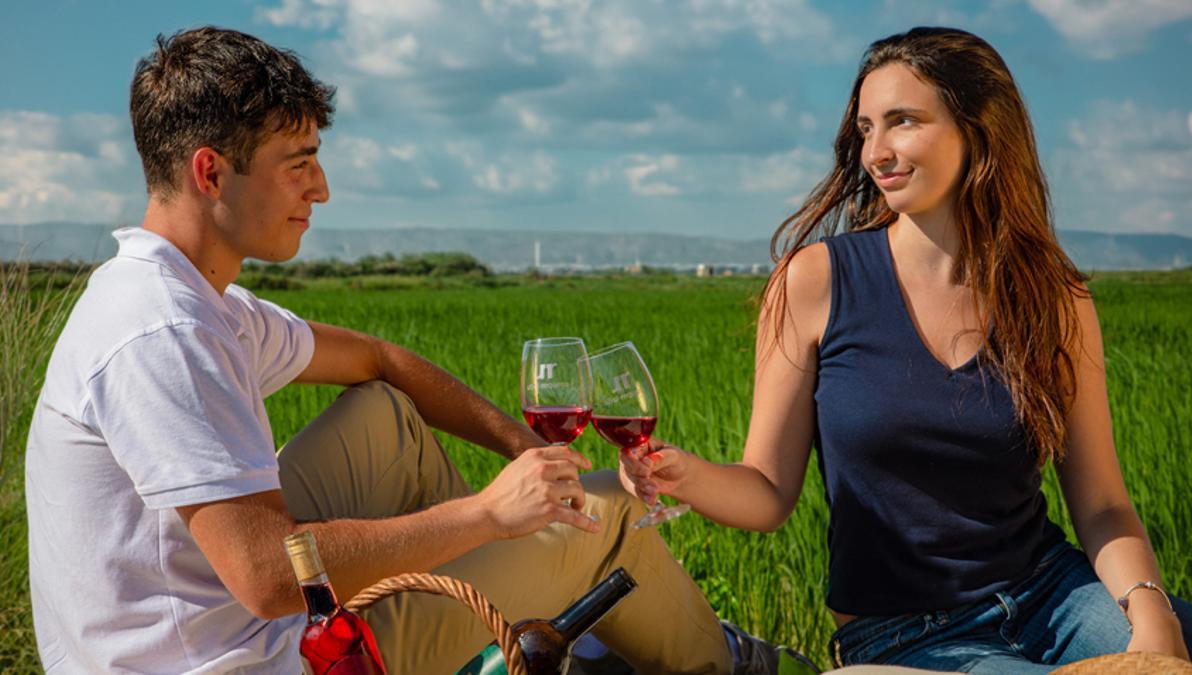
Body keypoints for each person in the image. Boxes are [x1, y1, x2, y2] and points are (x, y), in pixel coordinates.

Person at [23, 26, 806, 674]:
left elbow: (381, 360)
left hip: (204, 612)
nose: (321, 188)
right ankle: (725, 663)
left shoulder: (193, 299)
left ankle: (505, 616)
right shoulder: (164, 332)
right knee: (608, 515)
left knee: (386, 415)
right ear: (210, 171)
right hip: (255, 656)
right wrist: (487, 513)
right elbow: (266, 577)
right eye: (298, 163)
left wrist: (526, 451)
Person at [618, 26, 1192, 674]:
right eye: (866, 129)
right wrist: (684, 473)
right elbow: (768, 491)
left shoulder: (1054, 296)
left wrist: (1151, 611)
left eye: (902, 121)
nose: (876, 151)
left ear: (978, 128)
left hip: (1058, 596)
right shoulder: (815, 281)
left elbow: (1103, 505)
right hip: (908, 637)